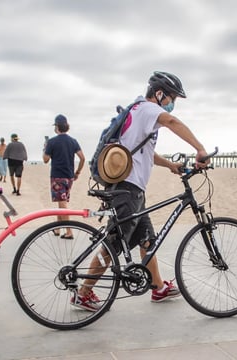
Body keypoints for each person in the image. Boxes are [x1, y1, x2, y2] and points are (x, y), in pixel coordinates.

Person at [72, 71, 210, 311]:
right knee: (115, 244)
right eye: (171, 98)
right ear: (159, 94)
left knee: (147, 238)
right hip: (127, 188)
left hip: (133, 189)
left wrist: (170, 166)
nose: (172, 103)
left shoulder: (136, 111)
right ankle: (83, 292)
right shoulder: (148, 109)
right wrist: (200, 148)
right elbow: (172, 122)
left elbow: (144, 152)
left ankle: (158, 288)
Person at [43, 114, 85, 239]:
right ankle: (57, 228)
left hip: (57, 176)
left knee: (62, 203)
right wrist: (78, 172)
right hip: (69, 176)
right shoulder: (73, 141)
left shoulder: (52, 142)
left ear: (57, 127)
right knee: (61, 201)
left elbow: (45, 159)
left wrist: (45, 147)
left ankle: (69, 231)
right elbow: (82, 158)